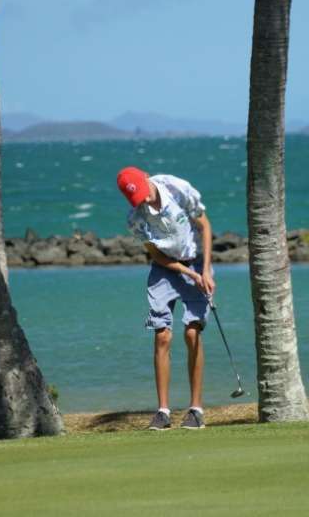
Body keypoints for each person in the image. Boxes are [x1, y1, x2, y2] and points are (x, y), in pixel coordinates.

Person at [117, 166, 215, 430]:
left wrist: (203, 271)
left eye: (145, 193)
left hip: (196, 263)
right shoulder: (135, 218)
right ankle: (163, 412)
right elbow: (157, 256)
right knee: (161, 334)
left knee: (192, 333)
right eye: (138, 200)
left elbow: (204, 226)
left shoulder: (177, 188)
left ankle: (196, 410)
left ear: (147, 177)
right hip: (164, 270)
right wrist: (185, 273)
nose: (145, 201)